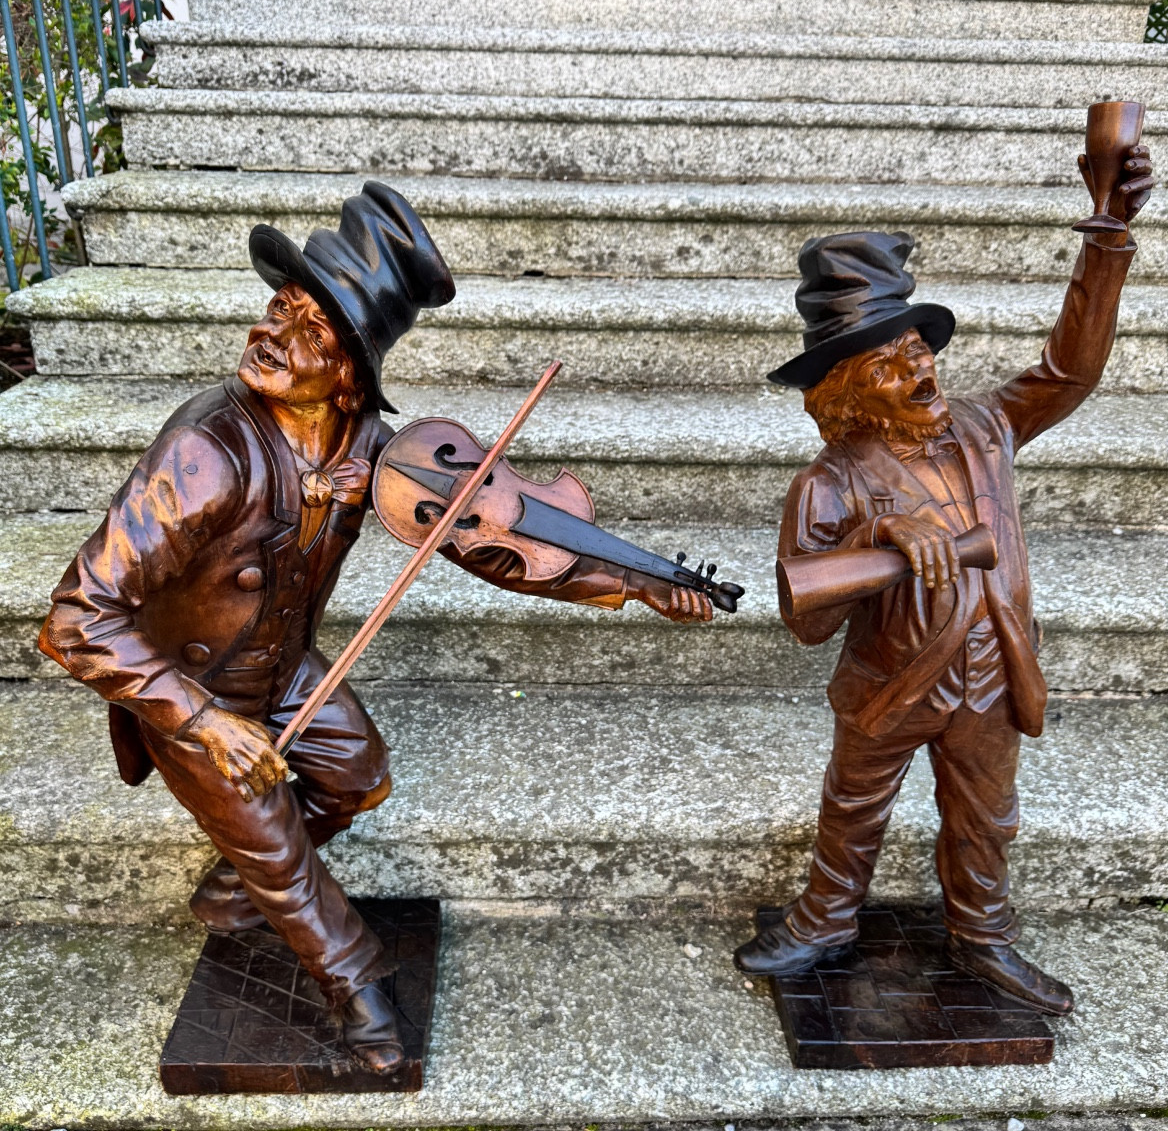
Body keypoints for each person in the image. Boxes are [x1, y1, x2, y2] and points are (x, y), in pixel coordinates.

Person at [39, 183, 711, 1073]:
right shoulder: (205, 451)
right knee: (278, 845)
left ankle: (243, 885)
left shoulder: (369, 446)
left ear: (352, 371)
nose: (275, 334)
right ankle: (358, 995)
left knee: (357, 778)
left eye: (311, 331)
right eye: (279, 309)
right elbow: (75, 617)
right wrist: (203, 724)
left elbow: (492, 542)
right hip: (190, 692)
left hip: (283, 674)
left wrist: (630, 584)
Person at [732, 146, 1153, 1014]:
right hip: (890, 682)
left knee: (987, 817)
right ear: (848, 393)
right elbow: (806, 618)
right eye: (890, 365)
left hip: (992, 670)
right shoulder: (831, 481)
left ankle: (985, 936)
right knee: (853, 803)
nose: (921, 370)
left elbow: (1069, 371)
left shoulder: (985, 429)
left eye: (920, 350)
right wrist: (879, 529)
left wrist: (1106, 237)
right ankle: (825, 917)